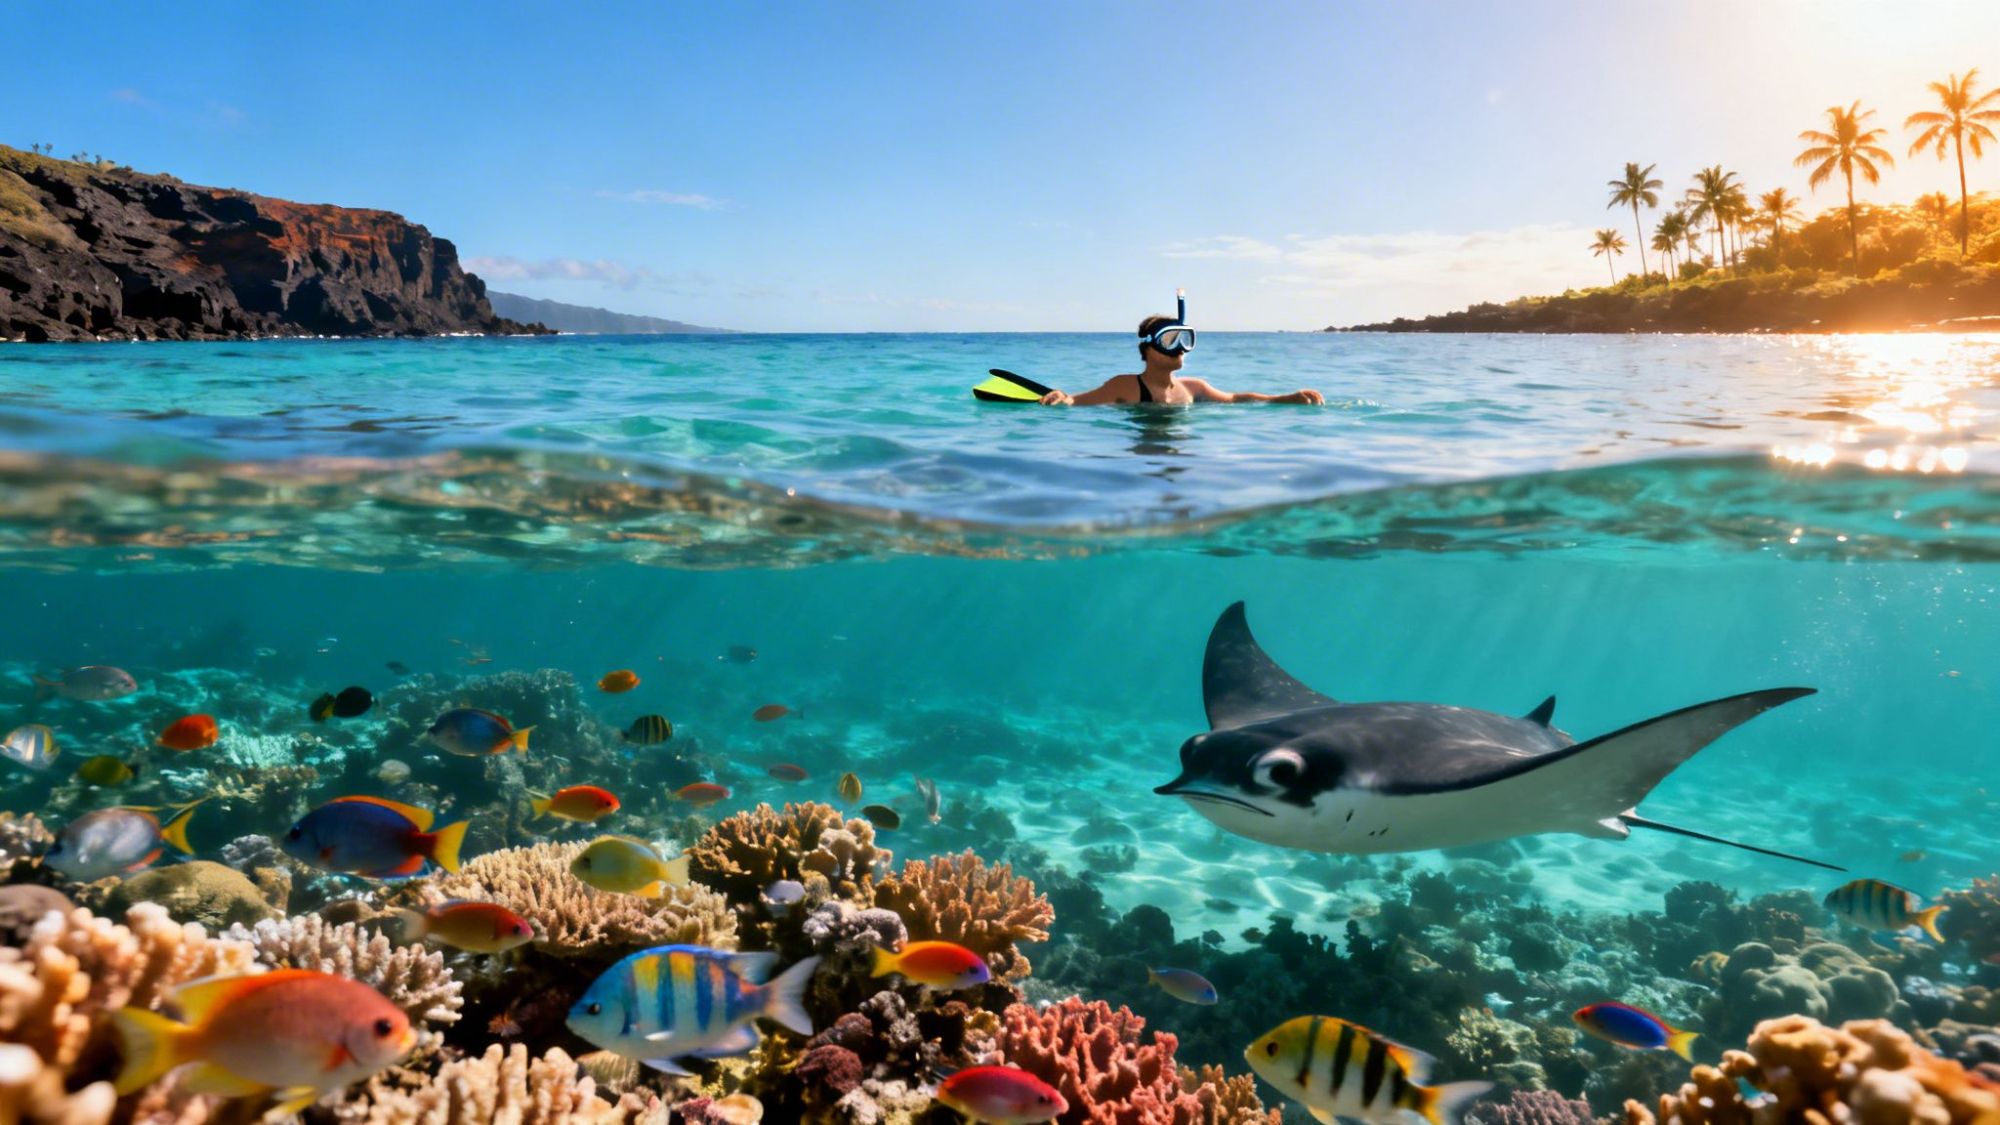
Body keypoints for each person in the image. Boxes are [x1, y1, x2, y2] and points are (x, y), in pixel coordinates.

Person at [1037, 313, 1325, 406]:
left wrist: (1284, 399)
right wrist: (1061, 396)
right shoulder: (1125, 386)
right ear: (1149, 349)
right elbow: (1077, 401)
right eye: (1169, 340)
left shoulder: (1194, 388)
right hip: (1142, 462)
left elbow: (1236, 399)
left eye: (1184, 339)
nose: (1180, 348)